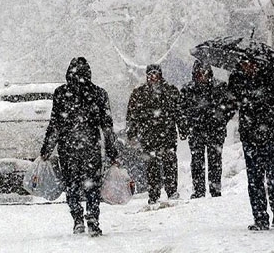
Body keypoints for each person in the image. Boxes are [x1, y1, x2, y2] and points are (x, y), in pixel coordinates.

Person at [40, 57, 119, 237]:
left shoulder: (61, 93)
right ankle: (92, 217)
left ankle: (77, 219)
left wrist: (46, 149)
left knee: (72, 185)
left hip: (68, 148)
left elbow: (55, 125)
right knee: (92, 185)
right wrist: (112, 152)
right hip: (91, 147)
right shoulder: (99, 93)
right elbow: (107, 127)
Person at [228, 58, 274, 231]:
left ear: (258, 63)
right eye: (243, 64)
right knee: (254, 180)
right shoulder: (238, 79)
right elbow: (229, 104)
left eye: (250, 63)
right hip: (251, 137)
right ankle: (260, 217)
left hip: (273, 135)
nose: (247, 67)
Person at [126, 64, 183, 205]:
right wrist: (131, 132)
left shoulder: (170, 91)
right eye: (150, 74)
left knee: (169, 163)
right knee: (152, 166)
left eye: (155, 73)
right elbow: (132, 115)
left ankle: (172, 190)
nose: (153, 77)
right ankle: (153, 193)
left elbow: (179, 112)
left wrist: (182, 128)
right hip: (148, 135)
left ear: (160, 74)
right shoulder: (139, 93)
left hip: (167, 134)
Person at [180, 61, 235, 199]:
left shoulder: (220, 87)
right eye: (199, 73)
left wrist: (221, 119)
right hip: (196, 131)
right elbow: (181, 110)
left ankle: (215, 189)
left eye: (204, 72)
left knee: (215, 161)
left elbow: (231, 106)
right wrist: (189, 122)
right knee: (197, 161)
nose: (202, 76)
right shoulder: (188, 90)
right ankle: (199, 190)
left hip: (215, 131)